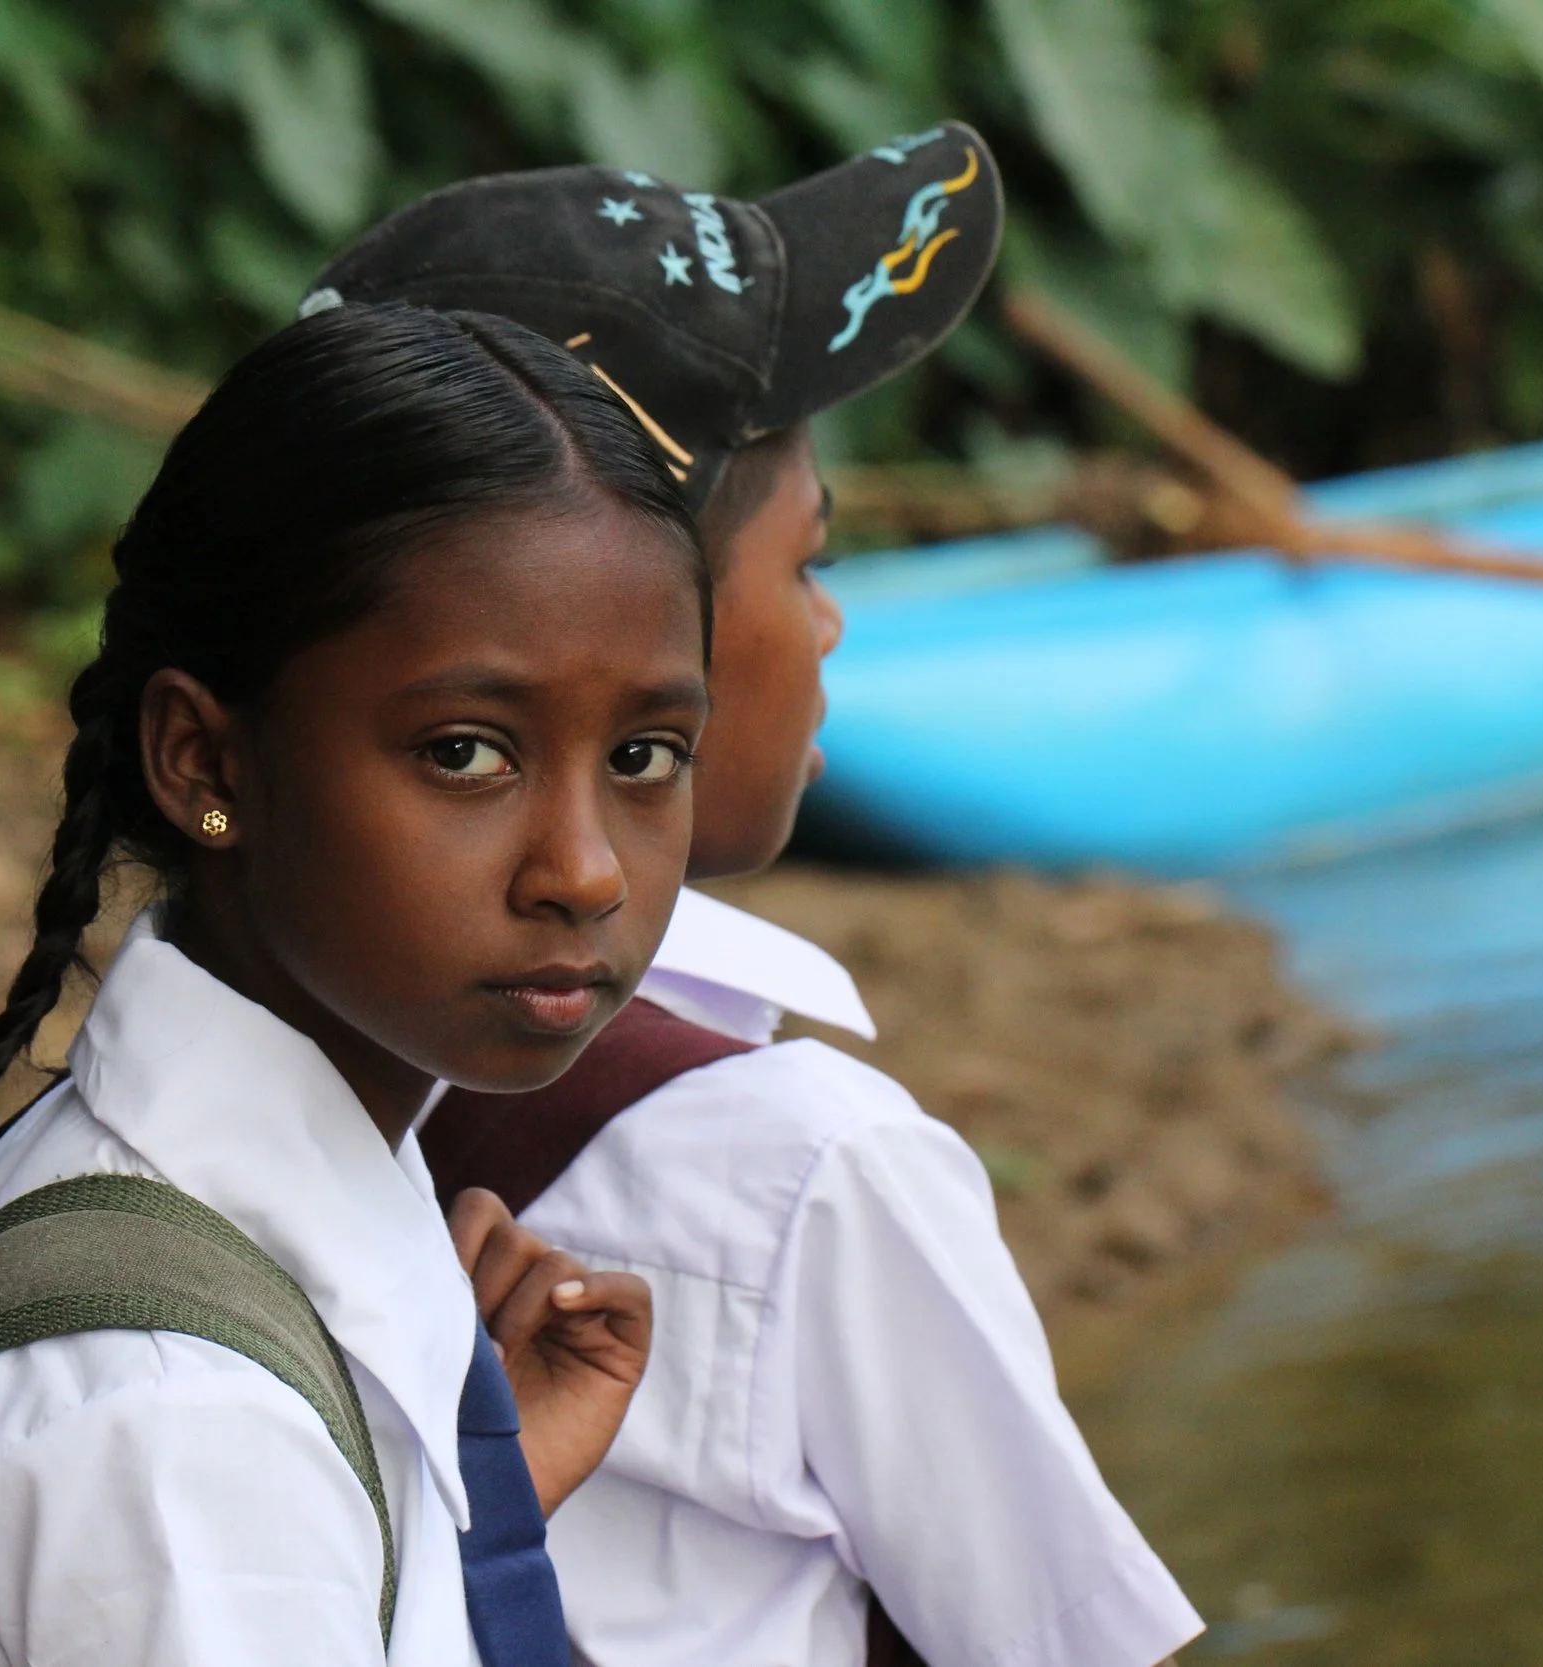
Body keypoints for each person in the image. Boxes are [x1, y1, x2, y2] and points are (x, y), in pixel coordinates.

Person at [306, 126, 1206, 1667]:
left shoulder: (220, 1076)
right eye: (807, 563)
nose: (831, 623)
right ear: (638, 637)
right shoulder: (813, 1168)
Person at [0, 302, 712, 1666]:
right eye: (466, 752)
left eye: (645, 756)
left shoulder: (251, 1216)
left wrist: (466, 1521)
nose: (586, 870)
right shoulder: (182, 1424)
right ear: (206, 762)